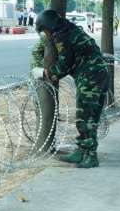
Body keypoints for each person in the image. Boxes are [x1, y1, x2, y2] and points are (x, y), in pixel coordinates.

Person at [31, 10, 110, 169]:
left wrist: (45, 72)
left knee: (85, 117)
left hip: (90, 78)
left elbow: (64, 64)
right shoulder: (71, 30)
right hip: (99, 75)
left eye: (44, 31)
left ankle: (90, 155)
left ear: (49, 27)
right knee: (90, 116)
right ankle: (81, 151)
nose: (46, 35)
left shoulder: (63, 37)